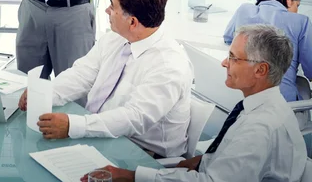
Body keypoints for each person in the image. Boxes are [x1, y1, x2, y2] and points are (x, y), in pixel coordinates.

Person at [86, 24, 306, 182]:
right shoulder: (265, 107)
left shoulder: (259, 129)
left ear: (261, 70)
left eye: (233, 58)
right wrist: (205, 159)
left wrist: (131, 177)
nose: (224, 63)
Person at [18, 0, 192, 157]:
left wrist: (74, 126)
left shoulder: (168, 65)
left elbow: (133, 118)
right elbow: (81, 75)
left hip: (144, 155)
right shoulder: (115, 39)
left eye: (112, 6)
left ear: (132, 22)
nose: (106, 11)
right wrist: (45, 93)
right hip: (104, 138)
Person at [224, 0, 312, 102]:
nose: (297, 11)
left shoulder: (244, 10)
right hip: (282, 102)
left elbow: (228, 38)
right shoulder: (301, 21)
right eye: (296, 5)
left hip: (240, 97)